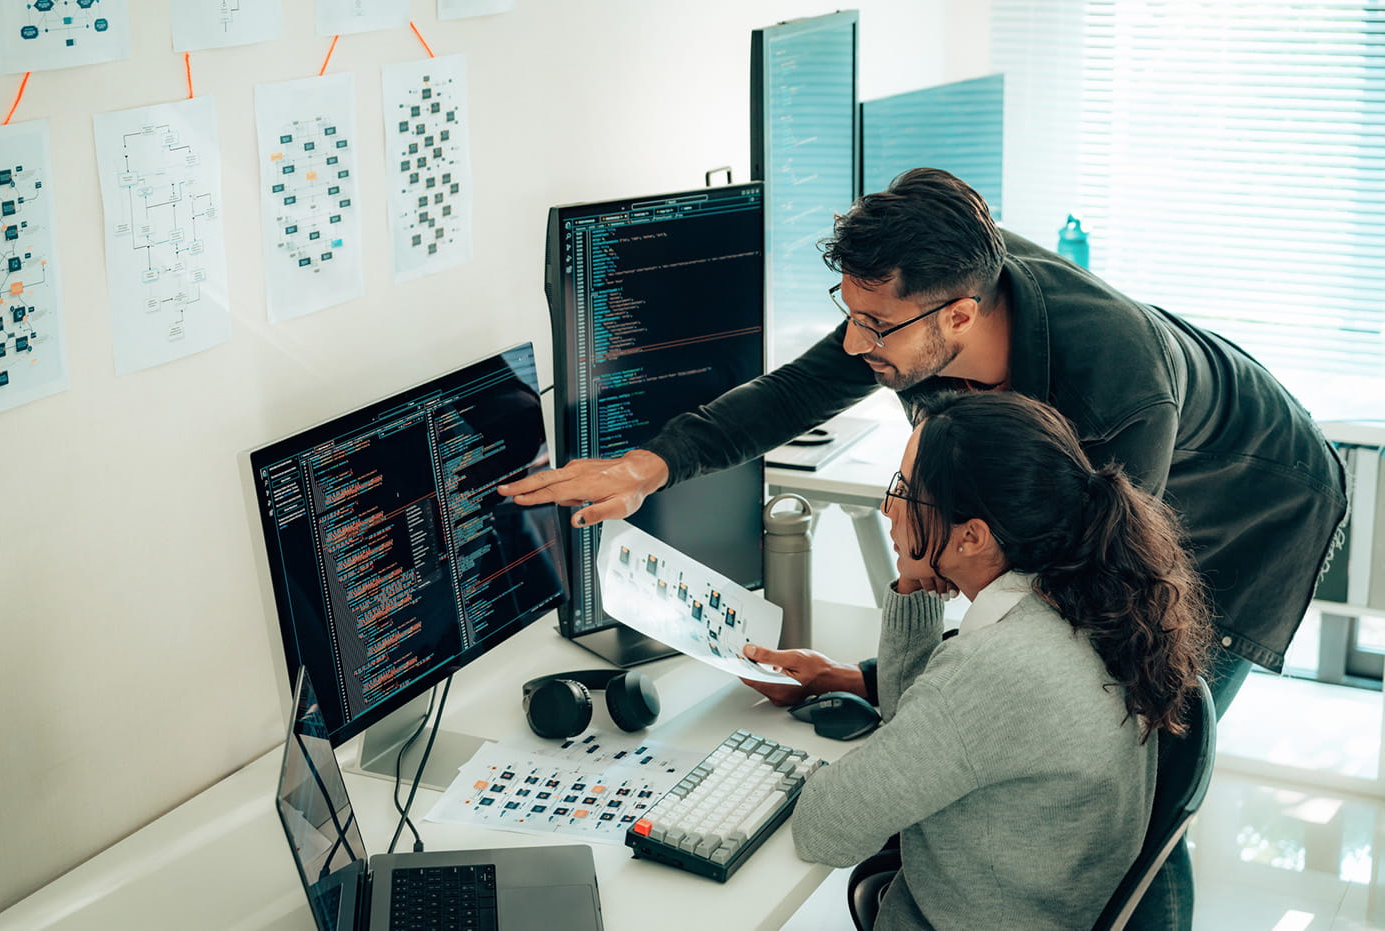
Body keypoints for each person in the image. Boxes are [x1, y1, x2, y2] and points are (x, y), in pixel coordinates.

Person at [500, 168, 1349, 924]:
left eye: (874, 326)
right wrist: (647, 467)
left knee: (1137, 741)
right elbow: (796, 390)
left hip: (1251, 498)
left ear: (963, 316)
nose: (855, 343)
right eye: (850, 314)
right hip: (1153, 459)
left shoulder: (1117, 399)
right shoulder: (926, 285)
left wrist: (889, 690)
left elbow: (1057, 629)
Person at [772, 390, 1212, 930]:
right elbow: (917, 721)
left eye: (906, 491)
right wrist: (916, 583)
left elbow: (825, 828)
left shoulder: (996, 670)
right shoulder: (1089, 603)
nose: (888, 506)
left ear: (973, 535)